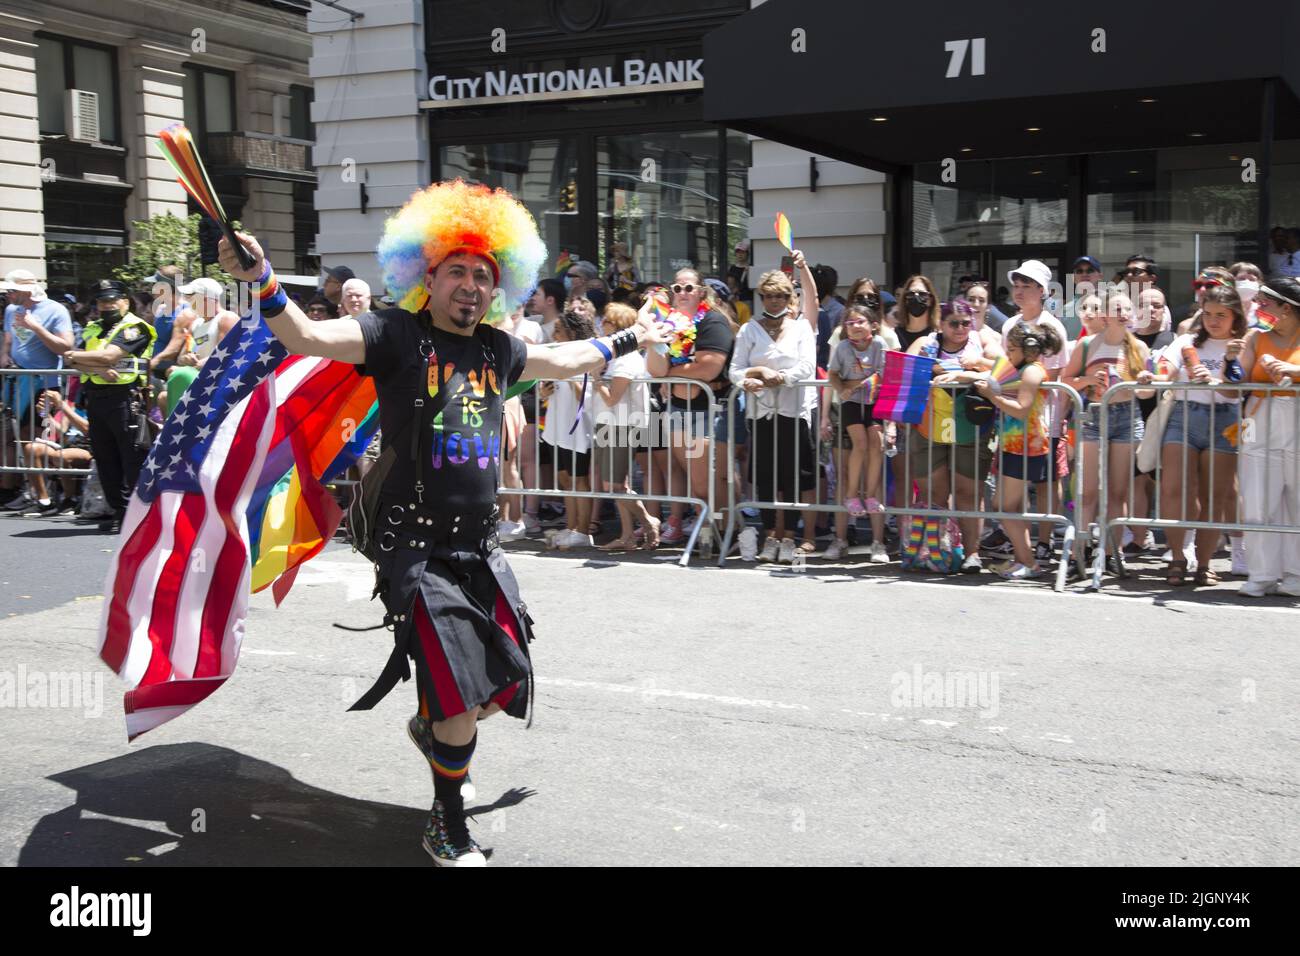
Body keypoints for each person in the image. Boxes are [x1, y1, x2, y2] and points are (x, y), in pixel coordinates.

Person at [217, 179, 667, 866]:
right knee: (458, 695)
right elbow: (305, 335)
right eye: (457, 270)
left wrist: (636, 333)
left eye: (483, 275)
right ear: (428, 277)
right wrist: (264, 279)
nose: (470, 283)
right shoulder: (394, 334)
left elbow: (571, 358)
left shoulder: (499, 349)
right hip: (415, 550)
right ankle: (446, 823)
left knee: (507, 681)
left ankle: (434, 733)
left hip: (482, 550)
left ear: (498, 288)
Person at [1146, 285, 1247, 587]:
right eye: (1208, 314)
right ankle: (1178, 557)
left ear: (1234, 316)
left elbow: (1235, 390)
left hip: (1225, 420)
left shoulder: (1242, 344)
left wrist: (1218, 376)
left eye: (1221, 315)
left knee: (1214, 495)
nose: (1214, 321)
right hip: (1185, 415)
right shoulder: (1186, 341)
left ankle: (1205, 563)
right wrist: (1153, 376)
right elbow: (1166, 369)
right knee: (1175, 489)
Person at [907, 298, 1003, 573]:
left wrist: (970, 371)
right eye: (954, 323)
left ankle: (973, 552)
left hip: (971, 427)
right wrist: (928, 369)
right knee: (933, 492)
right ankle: (936, 549)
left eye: (966, 322)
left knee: (968, 492)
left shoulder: (982, 341)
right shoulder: (927, 344)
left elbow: (1005, 371)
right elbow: (904, 370)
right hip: (930, 427)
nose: (961, 328)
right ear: (941, 323)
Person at [1060, 291, 1153, 570]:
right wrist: (1089, 379)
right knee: (1087, 491)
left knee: (1118, 492)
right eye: (1117, 308)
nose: (1123, 313)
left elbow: (1147, 394)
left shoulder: (1138, 348)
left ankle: (1114, 552)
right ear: (1105, 315)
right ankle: (1080, 551)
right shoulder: (1088, 344)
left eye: (1127, 308)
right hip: (1094, 414)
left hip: (1127, 416)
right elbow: (1066, 380)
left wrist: (1144, 381)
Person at [644, 265, 736, 547]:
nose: (682, 293)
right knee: (697, 482)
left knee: (707, 480)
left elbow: (707, 369)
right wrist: (652, 335)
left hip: (706, 410)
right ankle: (710, 532)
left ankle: (725, 531)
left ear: (700, 292)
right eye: (677, 288)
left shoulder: (712, 321)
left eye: (688, 288)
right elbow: (655, 367)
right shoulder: (668, 324)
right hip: (679, 410)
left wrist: (671, 375)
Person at [61, 280, 157, 534]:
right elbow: (74, 362)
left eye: (112, 300)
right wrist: (99, 368)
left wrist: (79, 357)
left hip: (125, 398)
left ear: (125, 302)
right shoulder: (92, 329)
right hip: (96, 397)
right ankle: (119, 511)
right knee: (105, 459)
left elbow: (109, 356)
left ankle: (140, 514)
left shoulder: (134, 327)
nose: (107, 305)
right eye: (102, 301)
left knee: (131, 459)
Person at [971, 321, 1065, 579]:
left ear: (1029, 349)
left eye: (1011, 348)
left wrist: (992, 396)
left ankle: (1028, 562)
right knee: (1006, 506)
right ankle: (1023, 560)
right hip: (1015, 445)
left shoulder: (1033, 371)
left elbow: (1022, 408)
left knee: (1003, 505)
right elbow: (991, 365)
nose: (1007, 353)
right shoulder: (1021, 367)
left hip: (1027, 447)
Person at [1001, 260, 1071, 564]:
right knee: (1012, 488)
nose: (1019, 291)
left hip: (1046, 420)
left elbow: (1057, 377)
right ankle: (1020, 544)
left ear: (1041, 291)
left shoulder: (1052, 326)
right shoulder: (1008, 325)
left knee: (1046, 483)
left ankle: (1044, 541)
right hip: (1015, 420)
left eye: (1026, 286)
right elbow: (1005, 370)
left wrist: (1057, 422)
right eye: (1017, 285)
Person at [1235, 278, 1300, 596]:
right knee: (1258, 497)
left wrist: (1292, 372)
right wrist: (1230, 362)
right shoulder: (1255, 337)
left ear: (1286, 308)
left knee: (1297, 499)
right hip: (1258, 418)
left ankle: (1295, 574)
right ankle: (1261, 573)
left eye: (1264, 303)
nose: (1257, 309)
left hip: (1297, 419)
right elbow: (1237, 378)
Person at [822, 303, 890, 562]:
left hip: (874, 403)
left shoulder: (880, 345)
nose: (855, 326)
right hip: (851, 404)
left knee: (876, 442)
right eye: (850, 323)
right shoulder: (841, 347)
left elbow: (883, 375)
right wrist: (843, 388)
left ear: (872, 324)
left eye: (860, 321)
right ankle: (852, 495)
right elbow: (834, 375)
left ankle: (871, 495)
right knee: (859, 443)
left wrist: (860, 383)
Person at [0, 269, 73, 508]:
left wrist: (37, 328)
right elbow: (10, 340)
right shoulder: (11, 309)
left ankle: (45, 496)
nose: (8, 294)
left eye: (12, 290)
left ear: (27, 290)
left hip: (45, 386)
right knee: (13, 437)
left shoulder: (55, 310)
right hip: (17, 381)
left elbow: (66, 347)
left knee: (34, 440)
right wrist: (5, 356)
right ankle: (19, 491)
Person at [591, 301, 657, 550]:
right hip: (610, 424)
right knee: (618, 485)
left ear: (617, 326)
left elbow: (612, 398)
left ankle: (648, 520)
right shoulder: (616, 356)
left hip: (623, 426)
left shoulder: (627, 359)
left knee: (614, 485)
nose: (601, 325)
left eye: (606, 321)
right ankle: (628, 536)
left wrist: (596, 378)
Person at [540, 309, 597, 548]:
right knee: (565, 477)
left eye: (558, 331)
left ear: (571, 333)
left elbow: (586, 393)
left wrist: (571, 376)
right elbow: (547, 391)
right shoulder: (558, 356)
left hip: (577, 429)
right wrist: (545, 391)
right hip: (557, 426)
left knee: (579, 479)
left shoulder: (586, 355)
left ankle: (583, 532)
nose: (554, 335)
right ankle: (571, 527)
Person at [163, 277, 241, 417]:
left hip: (220, 381)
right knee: (164, 395)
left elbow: (222, 355)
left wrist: (195, 364)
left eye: (192, 297)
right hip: (200, 377)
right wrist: (186, 359)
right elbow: (182, 357)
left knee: (180, 375)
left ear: (207, 299)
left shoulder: (227, 318)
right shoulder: (196, 324)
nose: (188, 301)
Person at [24, 388, 92, 515]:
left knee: (60, 456)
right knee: (32, 448)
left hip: (89, 447)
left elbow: (87, 430)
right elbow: (60, 430)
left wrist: (62, 405)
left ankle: (70, 499)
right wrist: (44, 414)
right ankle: (44, 502)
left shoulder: (98, 403)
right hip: (68, 445)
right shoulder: (71, 405)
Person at [1062, 256, 1104, 339]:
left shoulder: (1110, 304)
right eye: (1079, 271)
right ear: (1073, 278)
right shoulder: (1065, 310)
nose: (1084, 274)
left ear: (1100, 276)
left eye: (1090, 270)